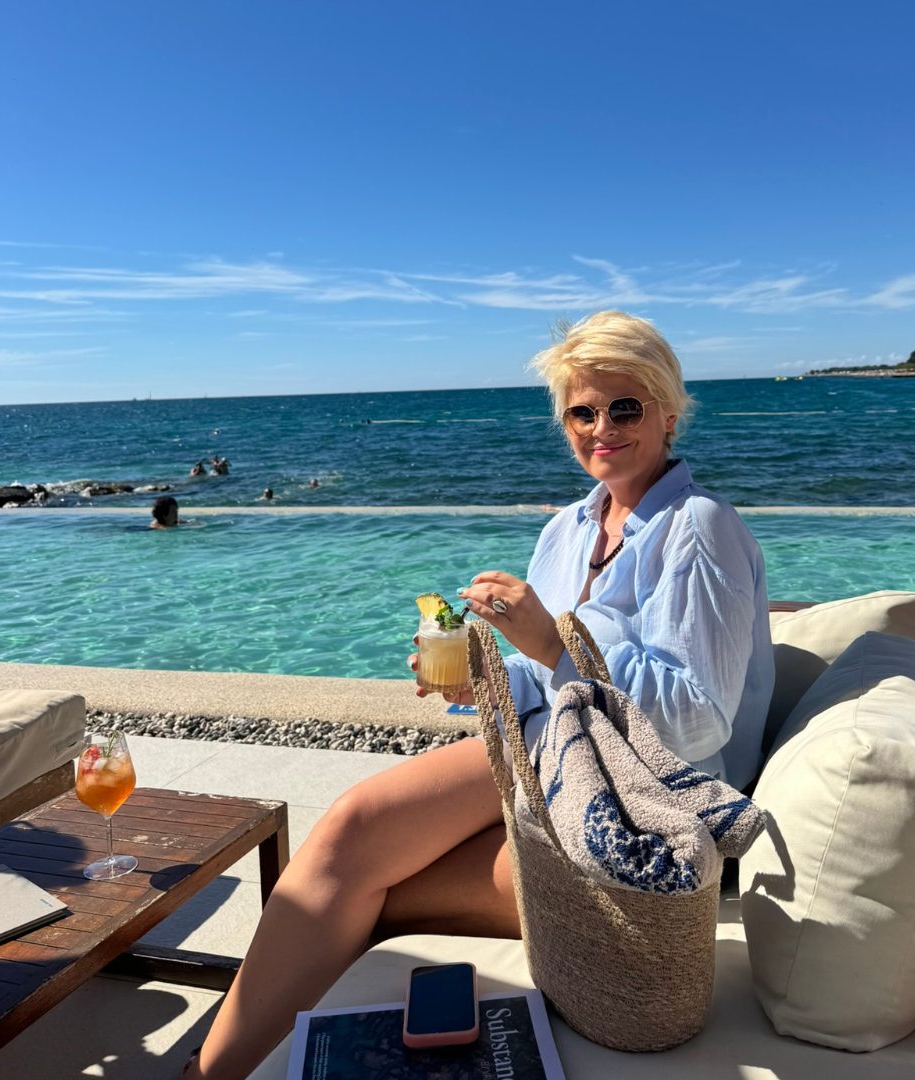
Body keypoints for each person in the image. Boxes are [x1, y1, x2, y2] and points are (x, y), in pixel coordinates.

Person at [184, 311, 774, 1079]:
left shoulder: (699, 527)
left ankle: (208, 1073)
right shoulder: (568, 529)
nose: (602, 427)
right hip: (562, 765)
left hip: (654, 812)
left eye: (624, 407)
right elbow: (549, 678)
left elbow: (697, 722)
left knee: (356, 841)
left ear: (668, 410)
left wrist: (547, 644)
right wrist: (487, 679)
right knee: (362, 874)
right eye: (582, 411)